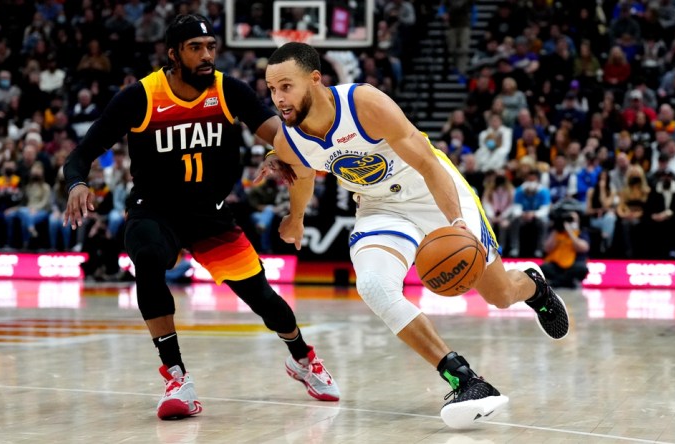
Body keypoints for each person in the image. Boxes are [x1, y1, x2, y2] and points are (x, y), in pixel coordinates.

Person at [263, 42, 569, 429]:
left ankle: (534, 287)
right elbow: (303, 176)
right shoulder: (288, 139)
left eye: (286, 87)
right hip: (378, 207)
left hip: (432, 192)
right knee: (374, 285)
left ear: (316, 80)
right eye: (272, 90)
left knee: (499, 295)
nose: (278, 99)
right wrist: (296, 218)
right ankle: (465, 378)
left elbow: (426, 161)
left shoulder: (364, 104)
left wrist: (456, 221)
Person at [62, 15, 339, 421]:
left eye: (210, 46)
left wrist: (279, 153)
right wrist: (76, 184)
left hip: (210, 214)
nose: (207, 55)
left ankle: (302, 358)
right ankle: (176, 377)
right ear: (173, 54)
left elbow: (282, 136)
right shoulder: (140, 97)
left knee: (264, 300)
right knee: (148, 257)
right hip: (154, 209)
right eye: (196, 47)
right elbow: (80, 154)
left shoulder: (230, 91)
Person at [540, 211, 590, 287]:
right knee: (544, 268)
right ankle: (567, 282)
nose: (569, 222)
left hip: (573, 265)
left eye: (571, 220)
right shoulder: (556, 232)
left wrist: (570, 232)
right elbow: (547, 249)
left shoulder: (581, 232)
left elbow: (583, 248)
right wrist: (557, 228)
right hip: (556, 265)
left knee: (582, 269)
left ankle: (557, 283)